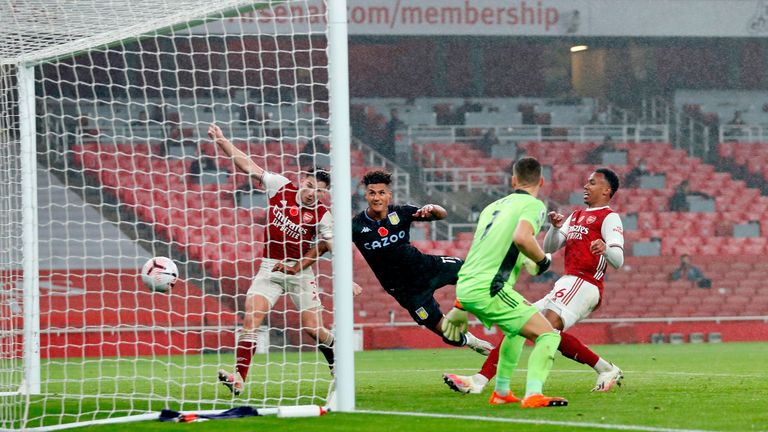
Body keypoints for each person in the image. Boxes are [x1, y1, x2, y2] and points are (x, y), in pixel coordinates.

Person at [443, 168, 625, 396]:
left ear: (607, 190)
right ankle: (479, 380)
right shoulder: (577, 215)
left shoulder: (609, 216)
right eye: (587, 182)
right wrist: (555, 227)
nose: (586, 186)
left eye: (592, 183)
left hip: (585, 283)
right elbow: (551, 247)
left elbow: (618, 259)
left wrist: (605, 248)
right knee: (519, 326)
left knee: (545, 329)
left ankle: (603, 369)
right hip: (566, 283)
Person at [208, 124, 357, 396]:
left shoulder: (323, 215)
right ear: (303, 180)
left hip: (300, 274)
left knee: (314, 330)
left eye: (320, 191)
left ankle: (336, 357)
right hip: (269, 268)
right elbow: (249, 166)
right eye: (311, 186)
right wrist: (221, 141)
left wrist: (347, 278)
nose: (313, 193)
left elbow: (332, 246)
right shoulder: (280, 187)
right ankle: (239, 379)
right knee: (250, 320)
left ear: (325, 194)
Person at [440, 157, 567, 408]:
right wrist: (542, 261)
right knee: (549, 336)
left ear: (513, 180)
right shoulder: (533, 205)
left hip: (467, 284)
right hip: (490, 287)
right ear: (541, 181)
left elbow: (482, 252)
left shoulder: (492, 207)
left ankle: (501, 391)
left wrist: (459, 305)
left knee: (515, 332)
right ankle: (533, 395)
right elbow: (522, 238)